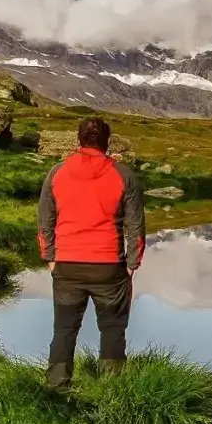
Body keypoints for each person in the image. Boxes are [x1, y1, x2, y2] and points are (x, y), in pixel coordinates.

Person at [38, 115, 144, 389]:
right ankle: (110, 389)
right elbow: (135, 226)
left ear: (79, 139)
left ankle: (57, 386)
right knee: (112, 328)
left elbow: (45, 220)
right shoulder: (124, 175)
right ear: (107, 142)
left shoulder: (57, 172)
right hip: (109, 267)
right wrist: (132, 263)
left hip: (67, 265)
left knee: (64, 328)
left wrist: (50, 257)